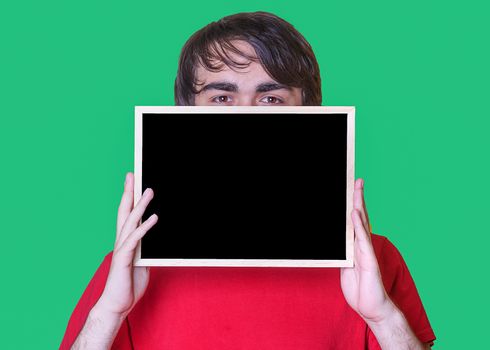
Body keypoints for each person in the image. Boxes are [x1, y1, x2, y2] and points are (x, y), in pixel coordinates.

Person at [60, 11, 436, 349]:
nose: (245, 118)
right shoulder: (130, 267)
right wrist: (108, 313)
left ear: (311, 114)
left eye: (270, 98)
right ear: (184, 115)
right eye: (222, 97)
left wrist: (383, 318)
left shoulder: (372, 260)